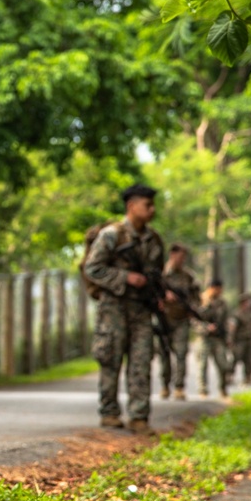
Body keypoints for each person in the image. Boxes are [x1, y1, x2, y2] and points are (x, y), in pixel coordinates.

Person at [83, 184, 166, 435]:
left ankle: (139, 416)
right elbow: (92, 268)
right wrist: (125, 277)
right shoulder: (111, 235)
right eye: (147, 205)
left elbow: (157, 275)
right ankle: (109, 412)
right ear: (132, 206)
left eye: (153, 205)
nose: (152, 210)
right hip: (114, 309)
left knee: (141, 361)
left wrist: (161, 295)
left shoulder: (154, 240)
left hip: (141, 309)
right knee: (111, 359)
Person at [158, 244, 201, 401]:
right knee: (164, 354)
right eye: (180, 256)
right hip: (164, 319)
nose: (182, 260)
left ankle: (179, 387)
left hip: (181, 319)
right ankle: (164, 384)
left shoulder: (188, 276)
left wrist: (193, 309)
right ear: (172, 255)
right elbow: (152, 292)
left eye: (184, 257)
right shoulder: (161, 275)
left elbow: (196, 296)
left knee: (181, 353)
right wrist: (163, 296)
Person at [196, 280, 231, 399]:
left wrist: (228, 338)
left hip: (218, 338)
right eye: (218, 289)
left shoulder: (222, 303)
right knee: (203, 365)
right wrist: (206, 327)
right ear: (211, 288)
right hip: (204, 338)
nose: (220, 291)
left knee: (223, 364)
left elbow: (226, 321)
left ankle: (223, 389)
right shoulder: (200, 301)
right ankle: (203, 389)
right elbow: (194, 319)